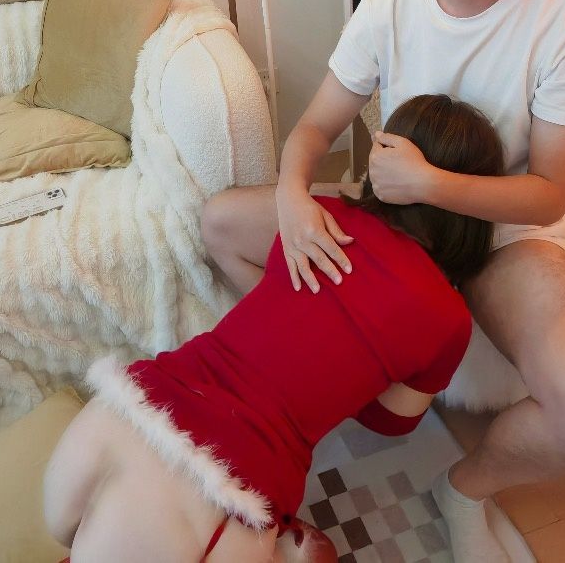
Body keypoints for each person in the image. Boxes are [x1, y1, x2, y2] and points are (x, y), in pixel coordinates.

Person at [202, 0, 565, 563]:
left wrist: (429, 184)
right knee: (222, 224)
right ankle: (345, 380)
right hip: (394, 219)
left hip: (505, 239)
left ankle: (463, 488)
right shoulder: (389, 5)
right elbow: (313, 130)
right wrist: (295, 199)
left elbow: (548, 192)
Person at [43, 94, 503, 563]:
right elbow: (394, 421)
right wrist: (351, 367)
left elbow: (237, 237)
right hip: (228, 496)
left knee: (74, 534)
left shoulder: (318, 218)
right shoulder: (449, 319)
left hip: (125, 412)